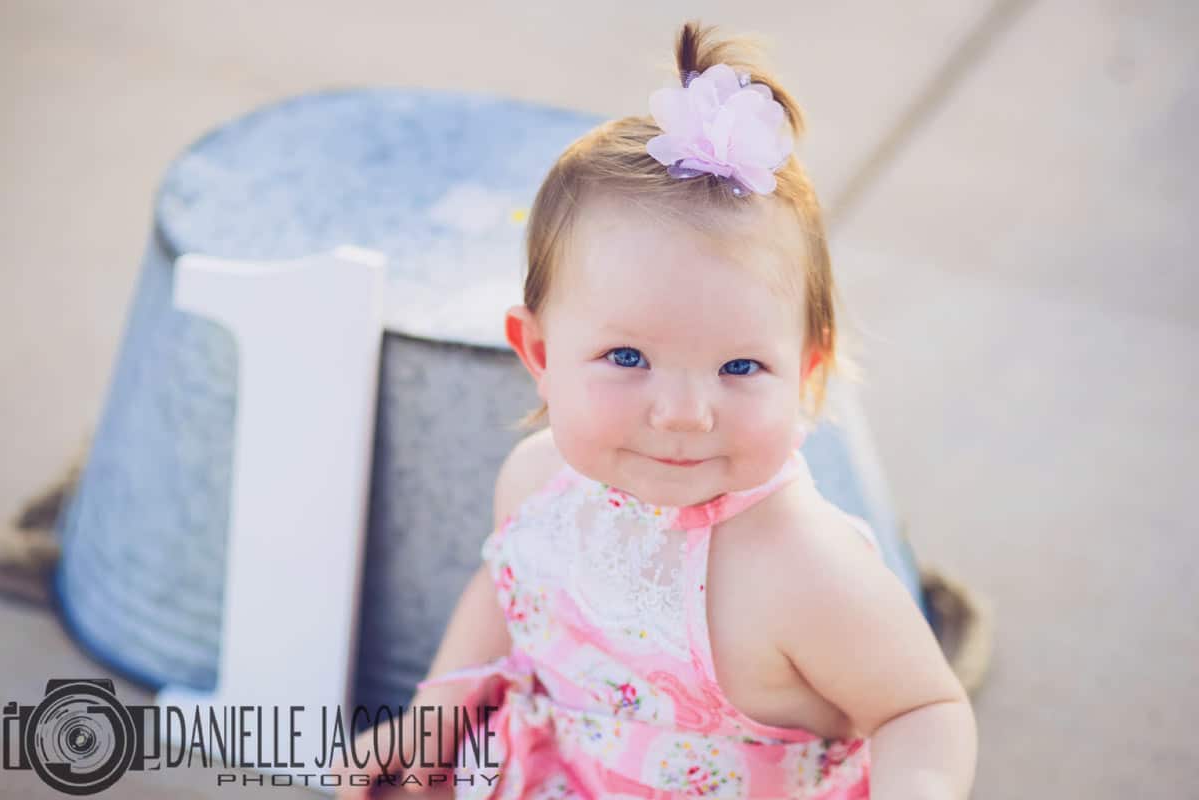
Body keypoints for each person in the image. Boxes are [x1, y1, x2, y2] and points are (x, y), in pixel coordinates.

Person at [337, 19, 976, 799]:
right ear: (537, 353)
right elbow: (506, 592)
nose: (683, 413)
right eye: (627, 358)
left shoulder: (804, 568)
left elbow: (922, 709)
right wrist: (432, 714)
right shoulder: (539, 484)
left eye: (741, 366)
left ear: (806, 374)